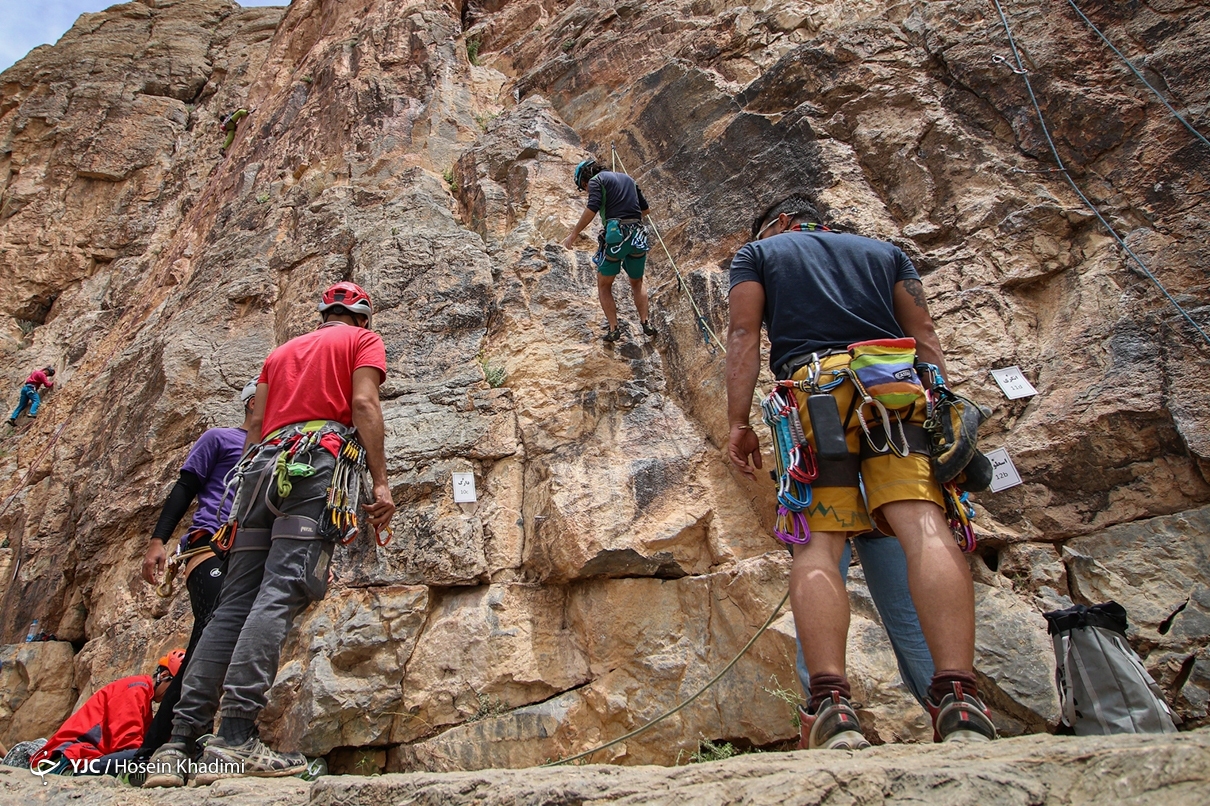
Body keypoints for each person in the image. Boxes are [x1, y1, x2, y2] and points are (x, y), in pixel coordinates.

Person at [726, 194, 996, 749]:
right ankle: (959, 697)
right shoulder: (886, 253)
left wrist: (738, 422)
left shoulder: (759, 254)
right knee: (924, 526)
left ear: (780, 222)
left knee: (820, 545)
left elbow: (744, 334)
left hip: (817, 395)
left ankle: (831, 705)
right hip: (895, 391)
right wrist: (942, 409)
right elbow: (924, 334)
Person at [145, 281, 395, 787]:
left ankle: (178, 744)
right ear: (362, 317)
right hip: (313, 464)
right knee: (279, 592)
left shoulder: (279, 353)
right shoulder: (362, 341)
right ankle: (235, 738)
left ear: (325, 313)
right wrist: (381, 482)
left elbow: (255, 424)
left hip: (259, 471)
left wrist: (241, 502)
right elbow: (364, 405)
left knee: (233, 603)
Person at [136, 379, 259, 758]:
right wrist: (158, 541)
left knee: (210, 645)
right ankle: (165, 747)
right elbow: (185, 487)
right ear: (252, 402)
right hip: (210, 546)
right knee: (213, 632)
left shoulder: (274, 448)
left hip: (249, 554)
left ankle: (169, 747)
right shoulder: (219, 439)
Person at [30, 651, 184, 776]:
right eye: (174, 689)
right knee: (146, 757)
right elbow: (127, 741)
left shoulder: (143, 697)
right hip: (72, 755)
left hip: (85, 755)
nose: (172, 696)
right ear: (163, 675)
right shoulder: (136, 689)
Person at [561, 158, 656, 343]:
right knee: (637, 282)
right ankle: (645, 322)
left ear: (585, 180)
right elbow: (645, 210)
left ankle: (614, 329)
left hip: (616, 237)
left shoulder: (596, 181)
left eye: (584, 187)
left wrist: (573, 234)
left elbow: (592, 208)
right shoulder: (629, 179)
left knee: (604, 285)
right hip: (637, 236)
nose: (587, 190)